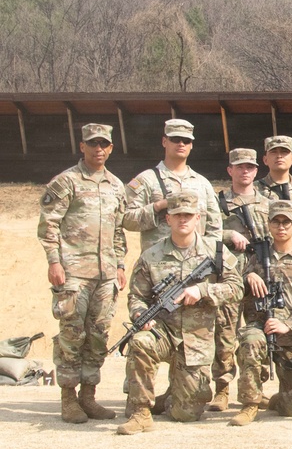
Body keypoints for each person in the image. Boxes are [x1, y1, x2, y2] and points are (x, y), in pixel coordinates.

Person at [117, 192, 243, 435]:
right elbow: (136, 297)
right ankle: (141, 412)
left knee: (186, 414)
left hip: (196, 339)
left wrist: (203, 290)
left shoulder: (215, 251)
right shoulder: (151, 255)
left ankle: (171, 396)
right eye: (177, 216)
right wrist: (141, 316)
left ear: (197, 218)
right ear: (168, 220)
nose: (182, 220)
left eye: (187, 215)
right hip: (162, 332)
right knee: (140, 341)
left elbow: (236, 288)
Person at [37, 123, 127, 424]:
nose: (98, 149)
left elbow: (118, 231)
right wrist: (54, 262)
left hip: (105, 275)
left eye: (104, 144)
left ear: (111, 148)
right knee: (72, 336)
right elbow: (48, 225)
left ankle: (89, 396)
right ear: (82, 146)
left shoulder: (116, 185)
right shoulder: (66, 182)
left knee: (99, 336)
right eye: (92, 144)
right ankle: (68, 399)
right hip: (73, 272)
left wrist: (120, 266)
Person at [230, 200, 292, 426]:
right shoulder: (256, 256)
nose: (281, 227)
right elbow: (233, 283)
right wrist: (248, 276)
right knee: (250, 342)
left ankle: (282, 398)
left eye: (286, 222)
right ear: (269, 224)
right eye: (276, 221)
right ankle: (250, 404)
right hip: (261, 326)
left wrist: (289, 326)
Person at [208, 148, 274, 412]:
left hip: (262, 279)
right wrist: (228, 236)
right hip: (230, 277)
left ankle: (255, 388)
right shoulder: (218, 203)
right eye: (239, 167)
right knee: (224, 334)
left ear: (256, 170)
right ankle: (222, 389)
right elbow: (204, 233)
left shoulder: (268, 204)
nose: (245, 171)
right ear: (230, 171)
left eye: (249, 167)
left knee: (257, 333)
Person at [123, 118, 221, 252]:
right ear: (164, 141)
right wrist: (158, 206)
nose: (181, 144)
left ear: (191, 145)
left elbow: (215, 227)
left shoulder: (203, 184)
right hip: (159, 266)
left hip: (197, 265)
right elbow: (127, 220)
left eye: (186, 141)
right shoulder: (146, 180)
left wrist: (210, 257)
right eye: (175, 139)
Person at [255, 135, 292, 202]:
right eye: (273, 152)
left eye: (284, 152)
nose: (279, 156)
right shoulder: (254, 190)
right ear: (265, 160)